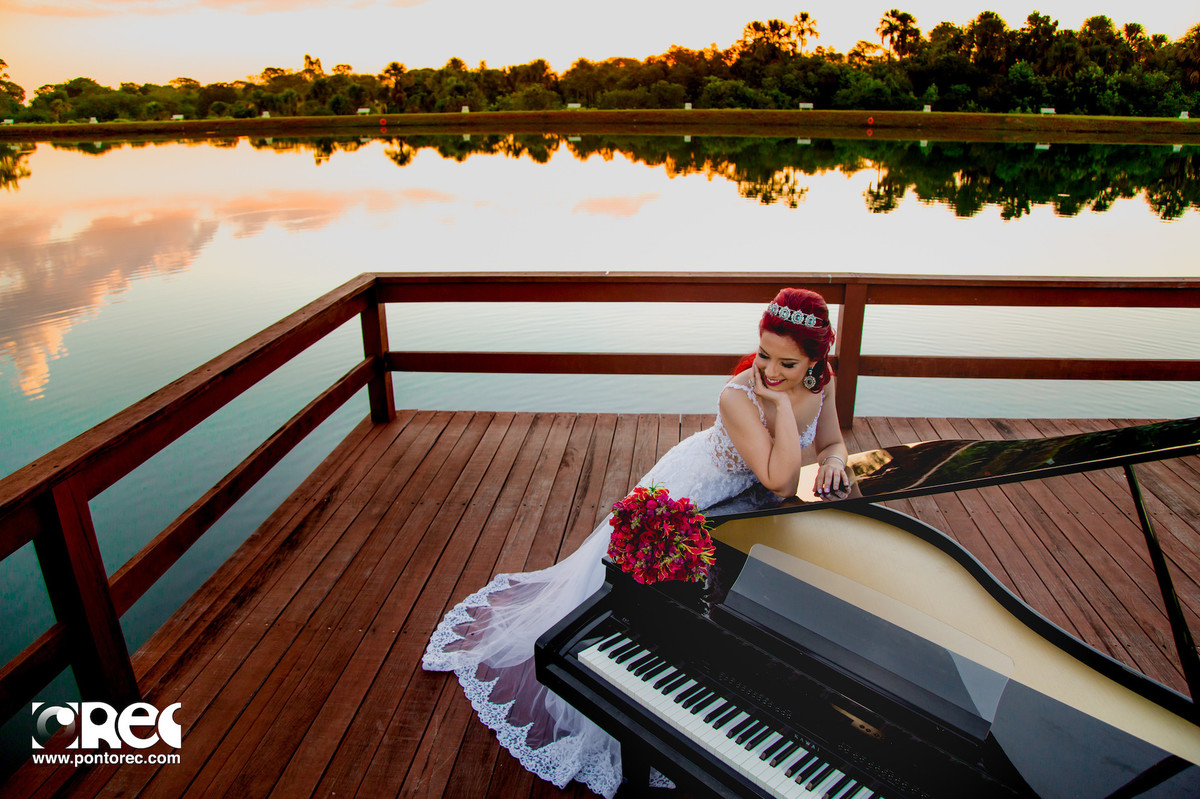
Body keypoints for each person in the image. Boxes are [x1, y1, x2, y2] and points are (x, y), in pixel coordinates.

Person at [422, 288, 850, 797]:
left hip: (746, 500)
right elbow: (781, 480)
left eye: (786, 363)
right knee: (640, 593)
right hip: (697, 489)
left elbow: (831, 440)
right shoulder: (739, 397)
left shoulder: (822, 382)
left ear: (815, 361)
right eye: (763, 355)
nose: (769, 371)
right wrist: (778, 402)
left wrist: (834, 459)